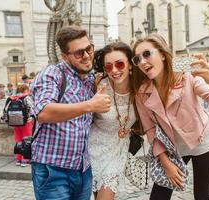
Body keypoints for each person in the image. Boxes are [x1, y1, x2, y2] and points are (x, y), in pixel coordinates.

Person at [131, 34, 209, 200]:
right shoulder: (141, 92)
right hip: (174, 149)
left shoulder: (186, 76)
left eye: (147, 54)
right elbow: (150, 129)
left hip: (205, 140)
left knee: (202, 195)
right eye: (137, 59)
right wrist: (165, 162)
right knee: (158, 197)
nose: (142, 62)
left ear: (163, 54)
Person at [31, 26, 111, 200]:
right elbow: (44, 112)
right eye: (79, 53)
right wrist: (89, 105)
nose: (87, 55)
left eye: (89, 48)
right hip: (53, 169)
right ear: (65, 56)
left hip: (82, 169)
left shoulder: (90, 79)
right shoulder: (52, 74)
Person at [89, 42, 137, 200]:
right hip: (92, 150)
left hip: (117, 151)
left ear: (130, 63)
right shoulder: (98, 85)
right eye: (108, 67)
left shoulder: (141, 88)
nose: (114, 70)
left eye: (120, 64)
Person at [13, 84, 34, 167]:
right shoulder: (26, 97)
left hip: (15, 122)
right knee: (26, 140)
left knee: (18, 140)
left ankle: (18, 159)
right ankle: (25, 160)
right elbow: (32, 108)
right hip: (26, 122)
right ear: (25, 90)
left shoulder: (13, 98)